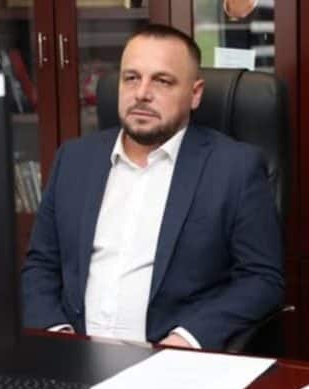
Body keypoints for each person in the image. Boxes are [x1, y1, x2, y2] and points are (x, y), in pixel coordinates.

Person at [21, 24, 284, 350]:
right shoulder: (74, 159)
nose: (141, 93)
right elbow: (41, 265)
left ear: (195, 94)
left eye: (162, 81)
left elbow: (262, 279)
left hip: (169, 359)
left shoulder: (234, 168)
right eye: (131, 78)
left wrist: (186, 340)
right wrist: (58, 335)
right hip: (72, 354)